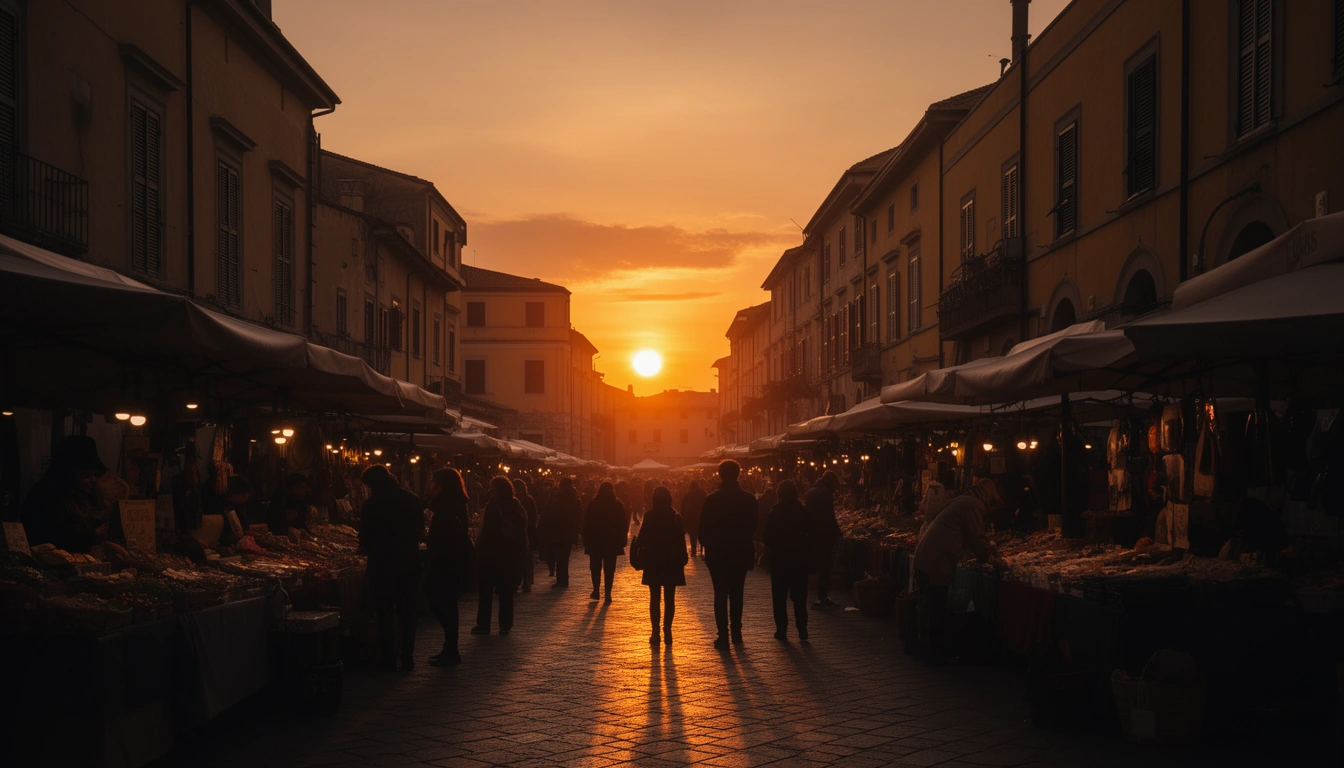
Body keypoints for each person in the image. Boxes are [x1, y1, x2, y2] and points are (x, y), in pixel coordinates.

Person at [912, 478, 1007, 665]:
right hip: (935, 562)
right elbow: (975, 538)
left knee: (931, 607)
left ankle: (928, 650)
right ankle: (935, 654)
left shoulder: (964, 501)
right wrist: (992, 559)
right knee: (936, 607)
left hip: (928, 559)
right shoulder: (973, 505)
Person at [358, 465, 425, 671]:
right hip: (408, 563)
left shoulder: (372, 504)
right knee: (407, 612)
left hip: (382, 565)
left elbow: (365, 537)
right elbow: (420, 530)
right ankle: (407, 656)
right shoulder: (411, 498)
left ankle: (388, 658)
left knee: (384, 613)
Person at [698, 460, 758, 648]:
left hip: (717, 554)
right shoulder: (748, 499)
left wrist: (708, 546)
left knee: (720, 593)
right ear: (738, 474)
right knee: (737, 592)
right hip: (740, 551)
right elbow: (754, 526)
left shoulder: (712, 499)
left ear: (720, 475)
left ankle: (723, 635)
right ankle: (737, 633)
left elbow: (702, 530)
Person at [20, 435, 107, 553]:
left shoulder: (86, 496)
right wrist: (91, 536)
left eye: (94, 475)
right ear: (69, 473)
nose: (93, 480)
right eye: (86, 475)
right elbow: (49, 534)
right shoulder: (45, 496)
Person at [426, 468, 473, 666]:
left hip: (446, 563)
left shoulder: (447, 507)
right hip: (450, 562)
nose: (431, 486)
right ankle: (450, 647)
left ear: (443, 485)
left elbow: (448, 537)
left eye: (434, 482)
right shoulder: (455, 504)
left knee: (442, 603)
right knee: (446, 604)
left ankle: (451, 649)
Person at [473, 476, 529, 635]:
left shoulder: (493, 506)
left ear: (499, 489)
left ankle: (483, 624)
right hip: (509, 556)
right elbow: (522, 532)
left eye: (492, 487)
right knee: (506, 592)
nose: (489, 490)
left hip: (491, 555)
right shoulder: (517, 506)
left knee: (486, 591)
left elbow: (486, 532)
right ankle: (505, 624)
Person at [638, 486, 688, 645]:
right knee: (670, 598)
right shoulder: (675, 516)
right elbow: (681, 540)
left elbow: (642, 539)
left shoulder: (649, 516)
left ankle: (655, 632)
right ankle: (668, 629)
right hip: (672, 561)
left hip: (653, 560)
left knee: (654, 598)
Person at [763, 480, 812, 642]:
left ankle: (782, 629)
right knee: (799, 596)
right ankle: (802, 629)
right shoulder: (804, 512)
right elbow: (811, 536)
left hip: (780, 560)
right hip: (800, 559)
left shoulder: (774, 514)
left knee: (779, 596)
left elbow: (767, 539)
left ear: (779, 494)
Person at [582, 481, 627, 603]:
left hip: (595, 540)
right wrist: (622, 538)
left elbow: (586, 522)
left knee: (595, 567)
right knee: (609, 568)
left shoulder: (593, 503)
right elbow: (623, 523)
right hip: (612, 541)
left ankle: (596, 590)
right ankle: (608, 593)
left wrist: (585, 538)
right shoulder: (617, 503)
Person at [804, 471, 842, 608]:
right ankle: (822, 597)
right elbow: (829, 516)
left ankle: (817, 596)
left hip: (812, 533)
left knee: (818, 564)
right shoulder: (825, 494)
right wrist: (837, 532)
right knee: (825, 565)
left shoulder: (811, 491)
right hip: (823, 534)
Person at [541, 477, 582, 588]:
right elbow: (579, 514)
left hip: (556, 530)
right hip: (568, 531)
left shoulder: (556, 496)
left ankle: (561, 580)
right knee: (564, 557)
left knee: (557, 555)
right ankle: (563, 579)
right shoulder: (575, 497)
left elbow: (547, 511)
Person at [514, 479, 538, 593]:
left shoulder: (527, 500)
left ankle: (527, 582)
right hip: (520, 534)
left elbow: (532, 517)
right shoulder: (516, 500)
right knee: (521, 559)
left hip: (527, 533)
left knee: (526, 559)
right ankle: (521, 581)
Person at [680, 480, 706, 557]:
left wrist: (684, 519)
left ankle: (694, 549)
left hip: (690, 519)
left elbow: (683, 508)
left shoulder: (687, 495)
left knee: (693, 535)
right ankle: (702, 548)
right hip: (701, 518)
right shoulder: (703, 494)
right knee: (702, 533)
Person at [755, 481, 776, 566]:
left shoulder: (761, 500)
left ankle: (759, 556)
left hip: (760, 522)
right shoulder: (773, 501)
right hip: (766, 522)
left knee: (758, 540)